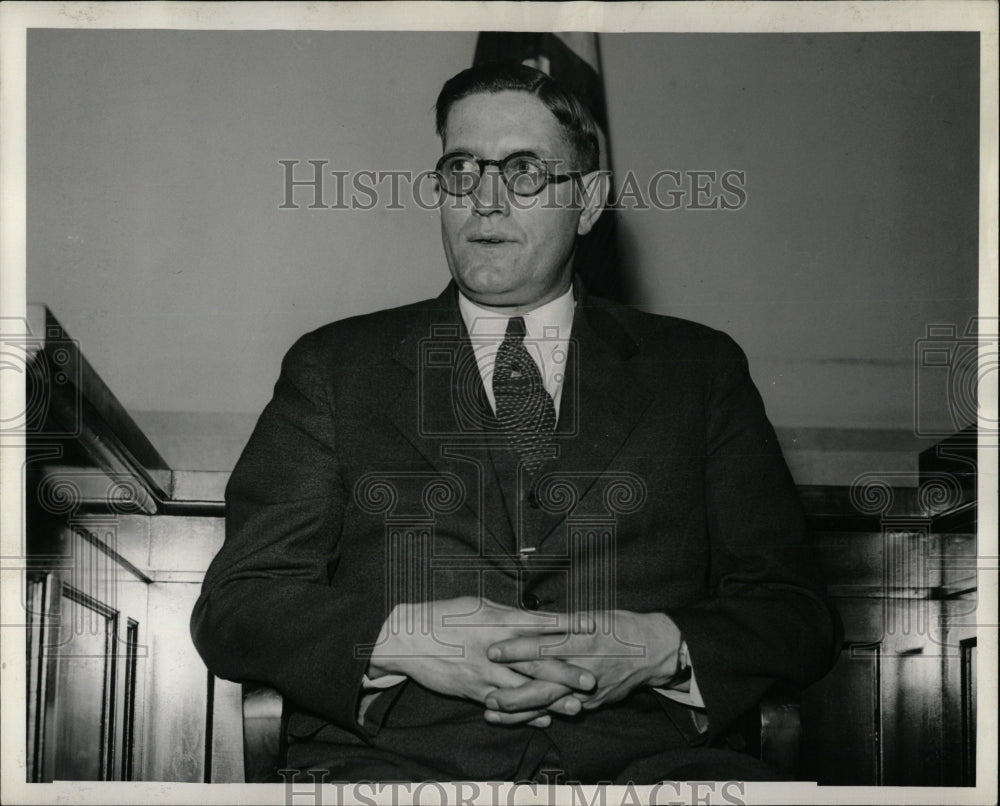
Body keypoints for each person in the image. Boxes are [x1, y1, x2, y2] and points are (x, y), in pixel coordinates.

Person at [191, 62, 840, 784]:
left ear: (589, 201)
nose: (486, 201)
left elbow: (798, 615)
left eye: (525, 171)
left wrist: (658, 646)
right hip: (394, 775)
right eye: (461, 170)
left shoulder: (700, 370)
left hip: (654, 773)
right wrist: (403, 638)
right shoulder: (334, 368)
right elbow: (235, 606)